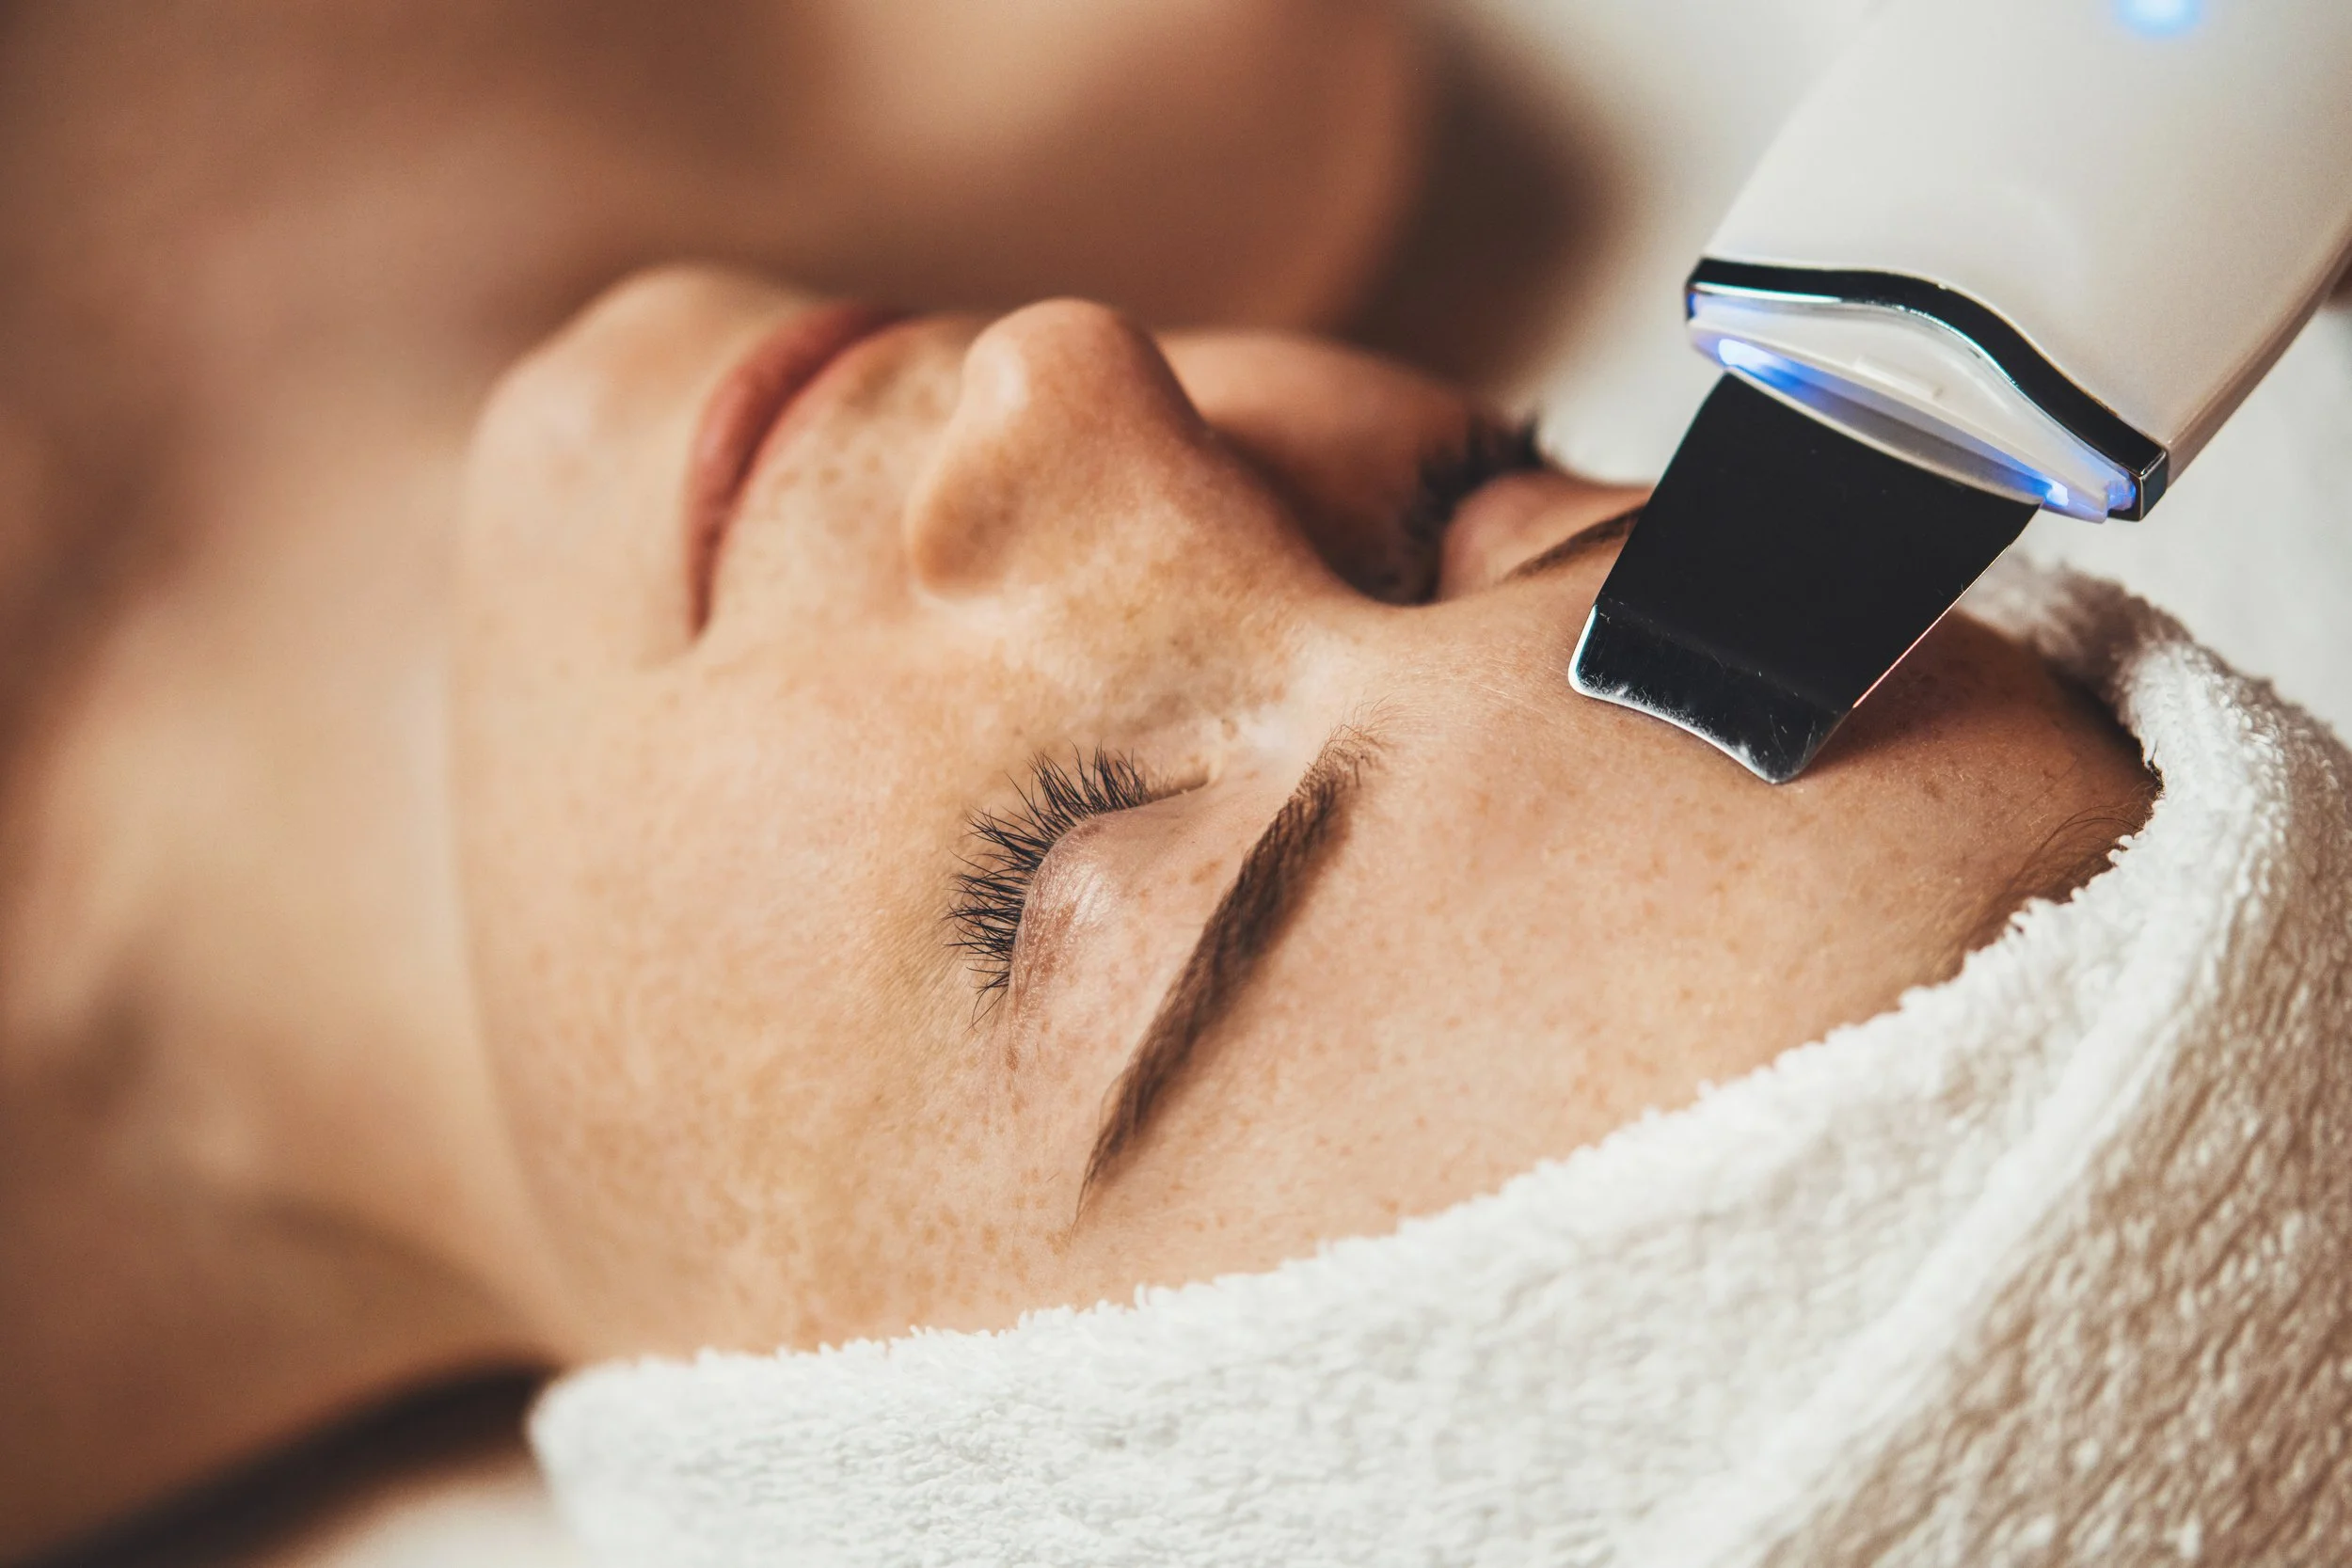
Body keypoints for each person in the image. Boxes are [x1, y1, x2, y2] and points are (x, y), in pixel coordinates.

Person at [0, 5, 2155, 1557]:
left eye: (1075, 854)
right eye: (1459, 503)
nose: (1067, 384)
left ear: (830, 1456)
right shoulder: (1133, 53)